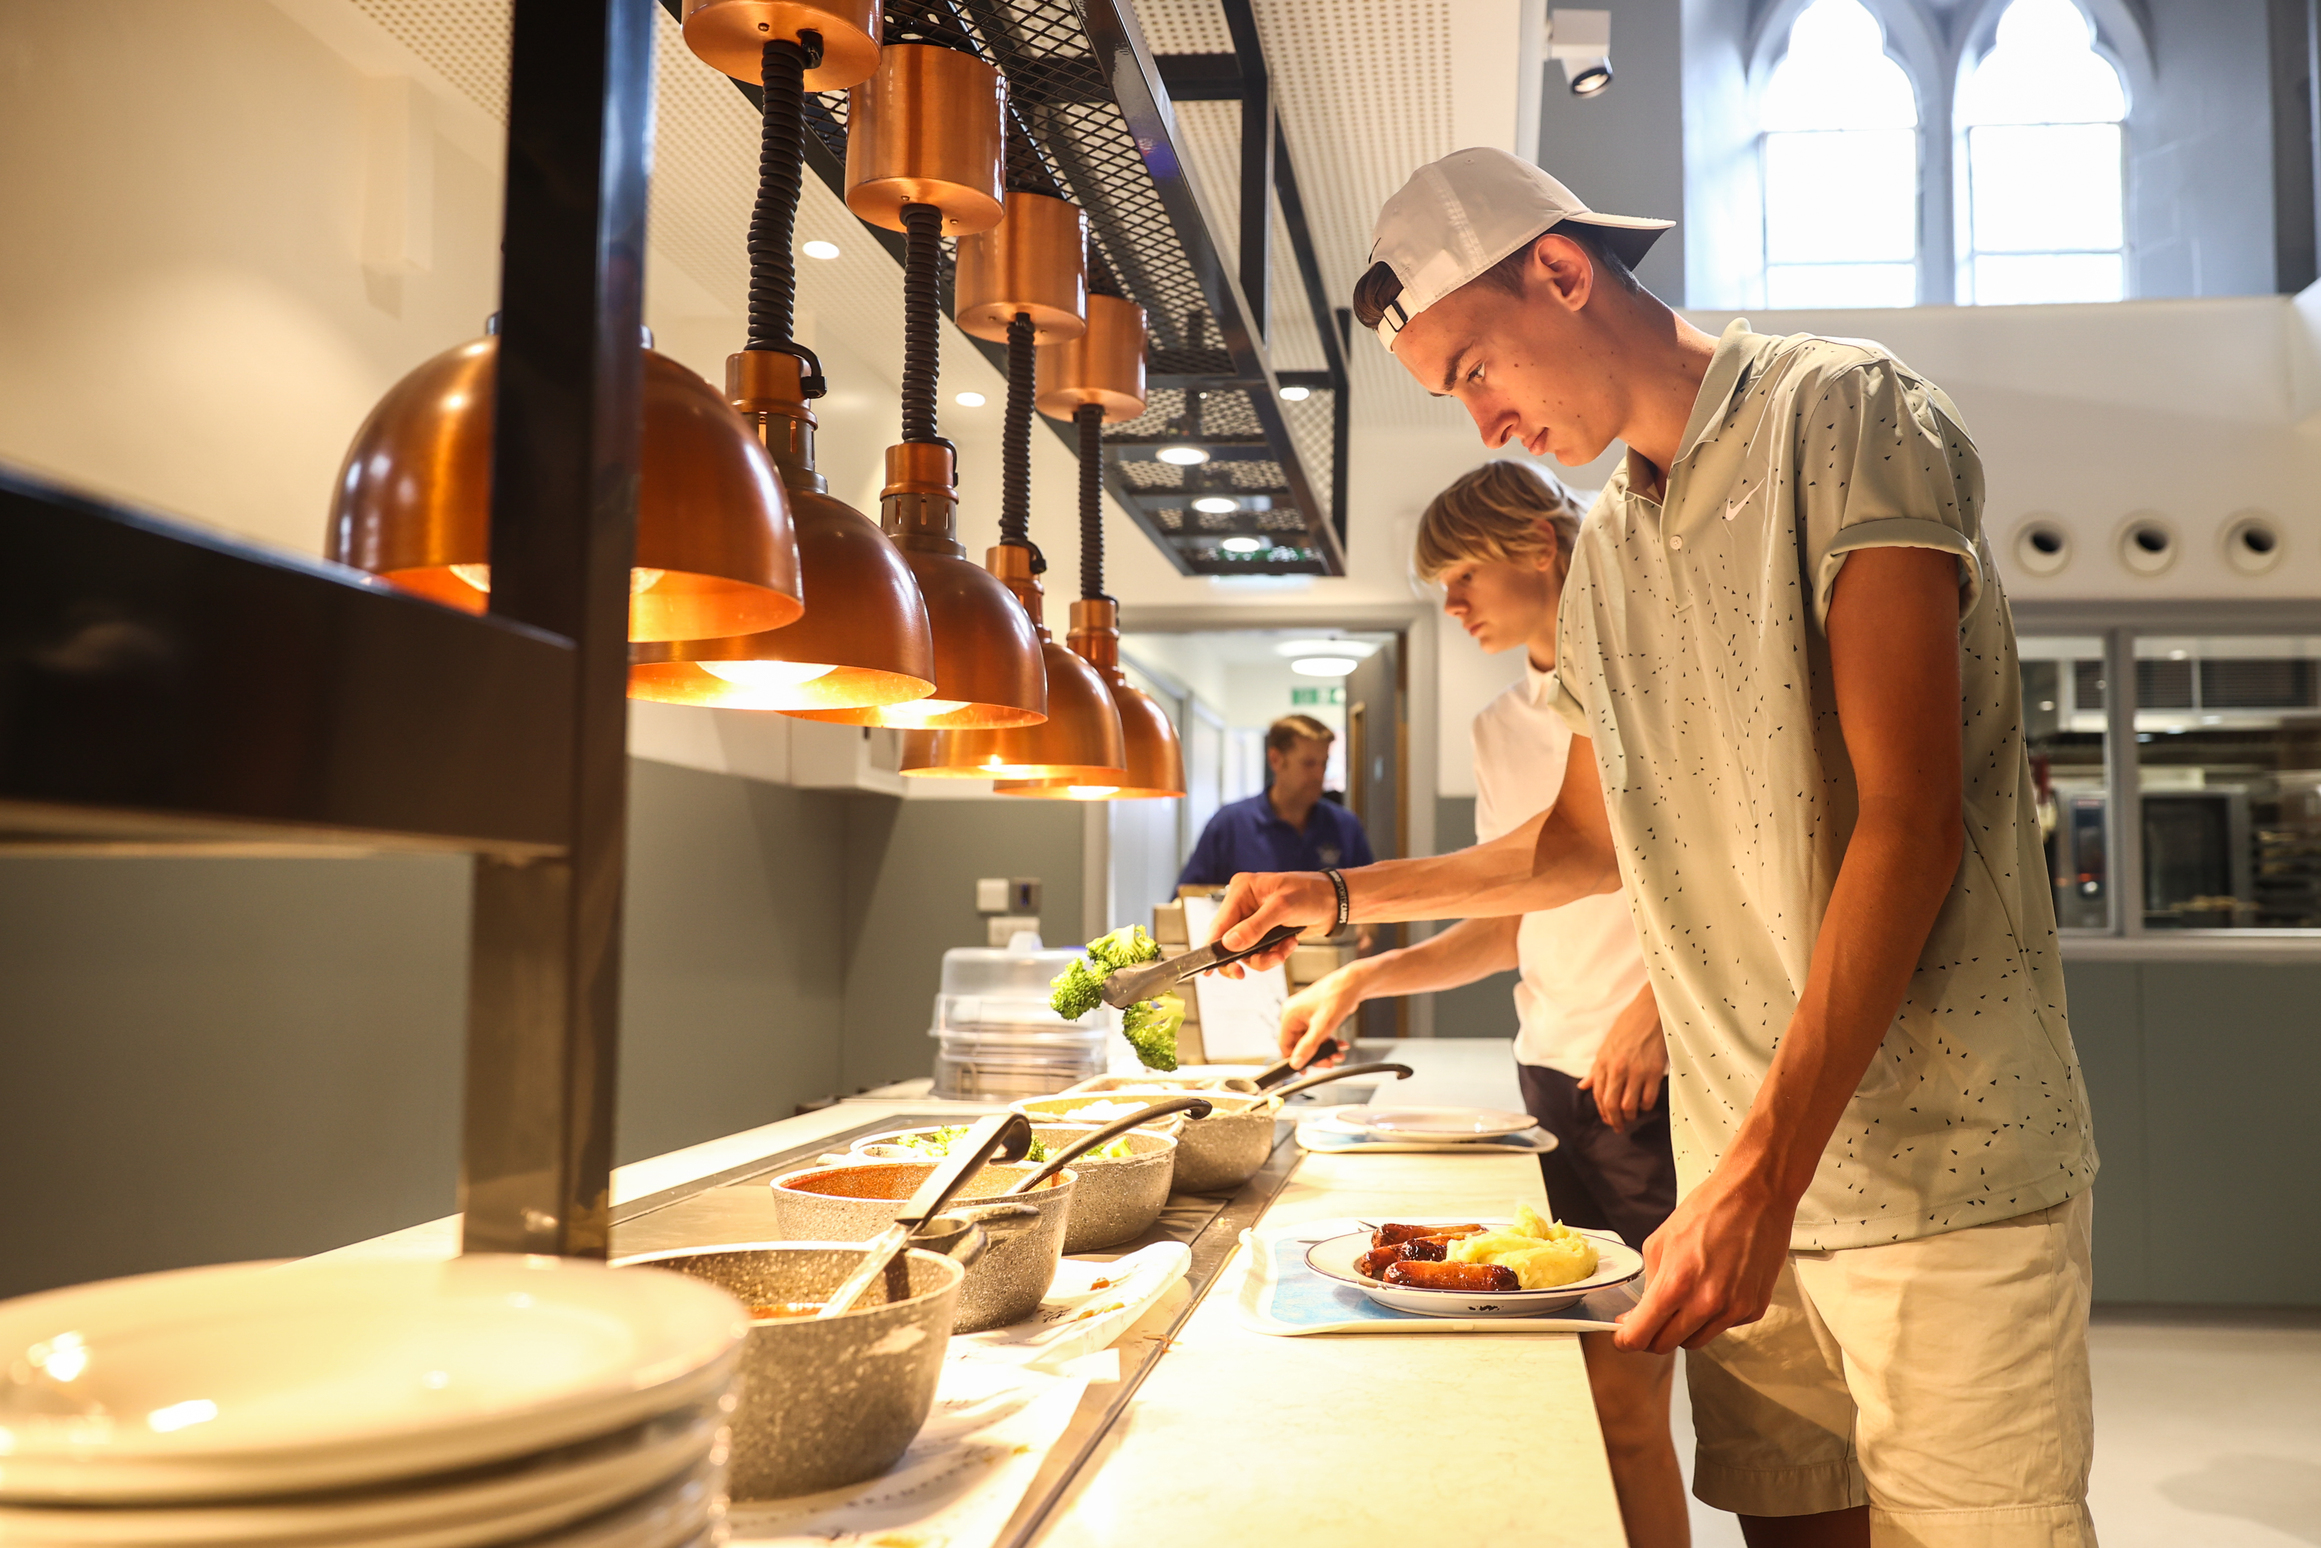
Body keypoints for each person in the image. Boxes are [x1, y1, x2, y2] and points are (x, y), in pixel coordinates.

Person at [1206, 148, 2099, 1548]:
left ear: (1562, 273)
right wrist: (1333, 893)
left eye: (1475, 369)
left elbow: (1910, 821)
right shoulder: (1611, 552)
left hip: (1933, 1165)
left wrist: (1758, 1177)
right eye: (1453, 398)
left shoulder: (1839, 411)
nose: (1485, 422)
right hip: (1738, 1160)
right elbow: (1575, 845)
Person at [1278, 460, 1686, 1548]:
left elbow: (1720, 884)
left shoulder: (1654, 679)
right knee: (1571, 1400)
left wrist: (1659, 1009)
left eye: (1461, 575)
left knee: (1626, 1404)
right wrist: (1363, 975)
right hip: (1547, 1074)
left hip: (1645, 1085)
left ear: (1538, 549)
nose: (1450, 604)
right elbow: (1516, 915)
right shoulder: (1500, 725)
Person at [1178, 714, 1375, 887]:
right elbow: (1188, 898)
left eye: (1323, 763)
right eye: (1308, 763)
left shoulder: (1345, 826)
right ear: (1275, 760)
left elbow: (1371, 900)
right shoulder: (1229, 825)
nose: (1319, 775)